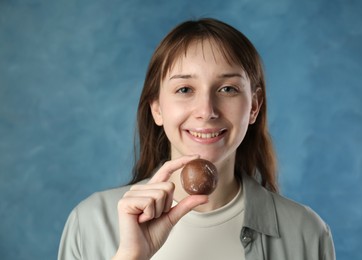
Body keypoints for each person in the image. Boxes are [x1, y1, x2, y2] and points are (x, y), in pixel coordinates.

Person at [58, 18, 336, 260]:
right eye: (184, 89)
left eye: (227, 89)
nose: (206, 111)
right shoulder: (91, 222)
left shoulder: (306, 232)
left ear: (254, 106)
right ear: (157, 107)